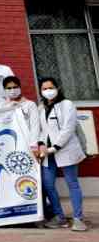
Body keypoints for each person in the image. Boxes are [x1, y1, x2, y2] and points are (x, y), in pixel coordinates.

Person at [36, 78, 87, 232]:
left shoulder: (67, 105)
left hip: (65, 150)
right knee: (48, 184)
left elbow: (68, 128)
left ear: (57, 88)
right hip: (47, 153)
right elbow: (40, 129)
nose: (48, 91)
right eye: (44, 89)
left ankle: (78, 218)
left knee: (72, 184)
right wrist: (40, 144)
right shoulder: (40, 108)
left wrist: (54, 147)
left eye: (51, 87)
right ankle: (60, 217)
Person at [0, 76, 39, 149]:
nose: (12, 90)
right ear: (4, 90)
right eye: (9, 88)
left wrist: (34, 146)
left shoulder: (30, 105)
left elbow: (35, 127)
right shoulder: (1, 107)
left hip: (28, 143)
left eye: (15, 87)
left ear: (20, 88)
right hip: (9, 144)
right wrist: (8, 108)